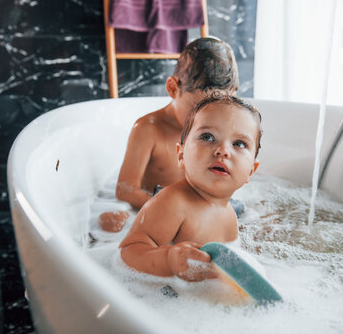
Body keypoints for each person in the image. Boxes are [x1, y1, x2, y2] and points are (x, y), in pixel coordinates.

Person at [99, 37, 239, 232]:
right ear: (173, 89)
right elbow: (125, 189)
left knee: (260, 220)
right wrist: (172, 207)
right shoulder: (148, 129)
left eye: (216, 110)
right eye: (197, 108)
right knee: (110, 223)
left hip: (203, 204)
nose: (206, 121)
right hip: (160, 203)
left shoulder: (218, 131)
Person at [119, 93, 262, 281]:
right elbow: (129, 251)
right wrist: (169, 260)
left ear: (250, 172)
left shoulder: (229, 215)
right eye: (208, 137)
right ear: (181, 155)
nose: (222, 151)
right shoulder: (173, 202)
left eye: (239, 143)